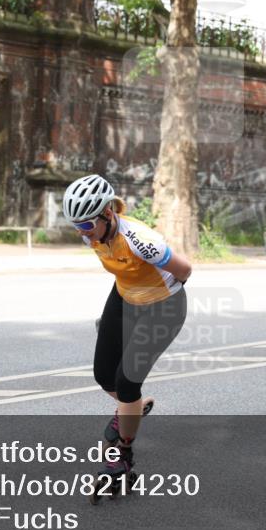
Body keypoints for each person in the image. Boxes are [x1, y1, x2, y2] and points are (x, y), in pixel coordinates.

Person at [62, 174, 192, 489]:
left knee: (126, 380)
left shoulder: (141, 241)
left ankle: (122, 453)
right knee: (103, 374)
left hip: (163, 307)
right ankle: (132, 406)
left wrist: (152, 311)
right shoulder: (93, 232)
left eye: (87, 226)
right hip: (124, 296)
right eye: (77, 227)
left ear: (107, 214)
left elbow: (185, 270)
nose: (83, 234)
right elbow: (110, 257)